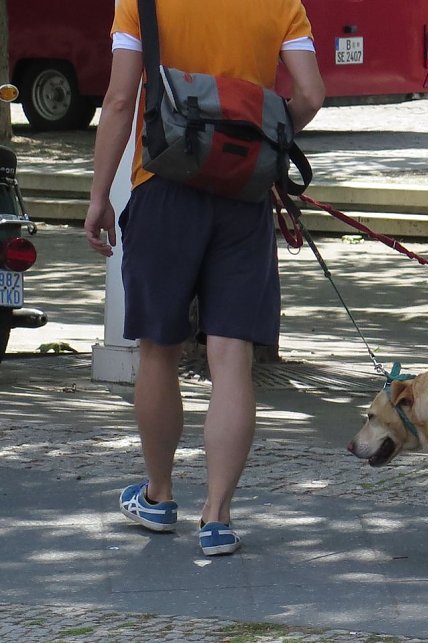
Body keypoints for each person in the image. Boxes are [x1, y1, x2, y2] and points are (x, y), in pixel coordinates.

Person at [83, 0, 325, 554]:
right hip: (242, 193)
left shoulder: (140, 2)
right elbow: (310, 96)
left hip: (164, 181)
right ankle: (216, 517)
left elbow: (120, 99)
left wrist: (98, 195)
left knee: (159, 348)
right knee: (232, 355)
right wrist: (257, 134)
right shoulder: (282, 3)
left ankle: (160, 495)